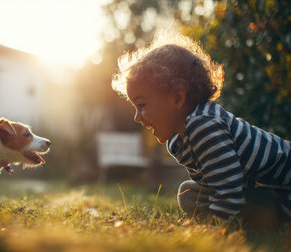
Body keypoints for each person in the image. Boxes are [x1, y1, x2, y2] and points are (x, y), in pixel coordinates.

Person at [111, 31, 290, 228]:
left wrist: (214, 229)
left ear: (178, 97)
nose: (137, 117)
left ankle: (274, 219)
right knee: (189, 194)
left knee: (206, 196)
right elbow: (215, 183)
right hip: (260, 189)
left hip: (284, 187)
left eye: (142, 105)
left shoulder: (202, 125)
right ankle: (263, 217)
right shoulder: (178, 140)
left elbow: (228, 189)